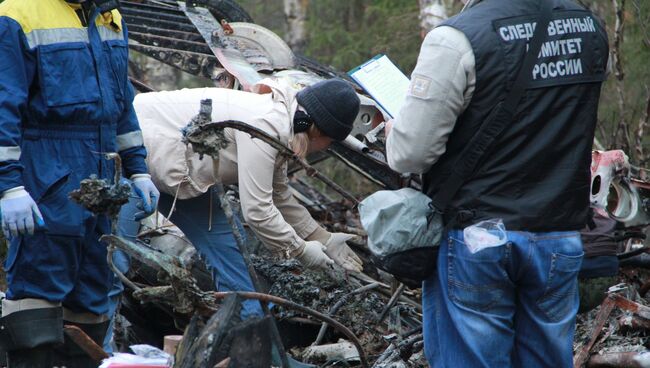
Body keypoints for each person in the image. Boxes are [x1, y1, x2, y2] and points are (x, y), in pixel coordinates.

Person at [385, 0, 608, 366]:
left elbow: (410, 155)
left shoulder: (457, 38)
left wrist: (395, 131)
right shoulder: (590, 28)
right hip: (559, 232)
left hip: (478, 238)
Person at [104, 78, 364, 352]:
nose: (327, 148)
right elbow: (258, 211)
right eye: (331, 142)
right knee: (115, 259)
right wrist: (300, 250)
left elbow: (279, 194)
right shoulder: (267, 124)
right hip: (135, 156)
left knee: (233, 258)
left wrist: (322, 237)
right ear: (318, 132)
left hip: (181, 170)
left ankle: (254, 351)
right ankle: (103, 350)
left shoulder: (285, 124)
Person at [0, 0, 159, 367]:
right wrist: (9, 187)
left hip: (104, 184)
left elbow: (122, 105)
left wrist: (138, 170)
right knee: (37, 291)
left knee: (93, 294)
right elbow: (4, 106)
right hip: (46, 177)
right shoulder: (19, 13)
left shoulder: (110, 16)